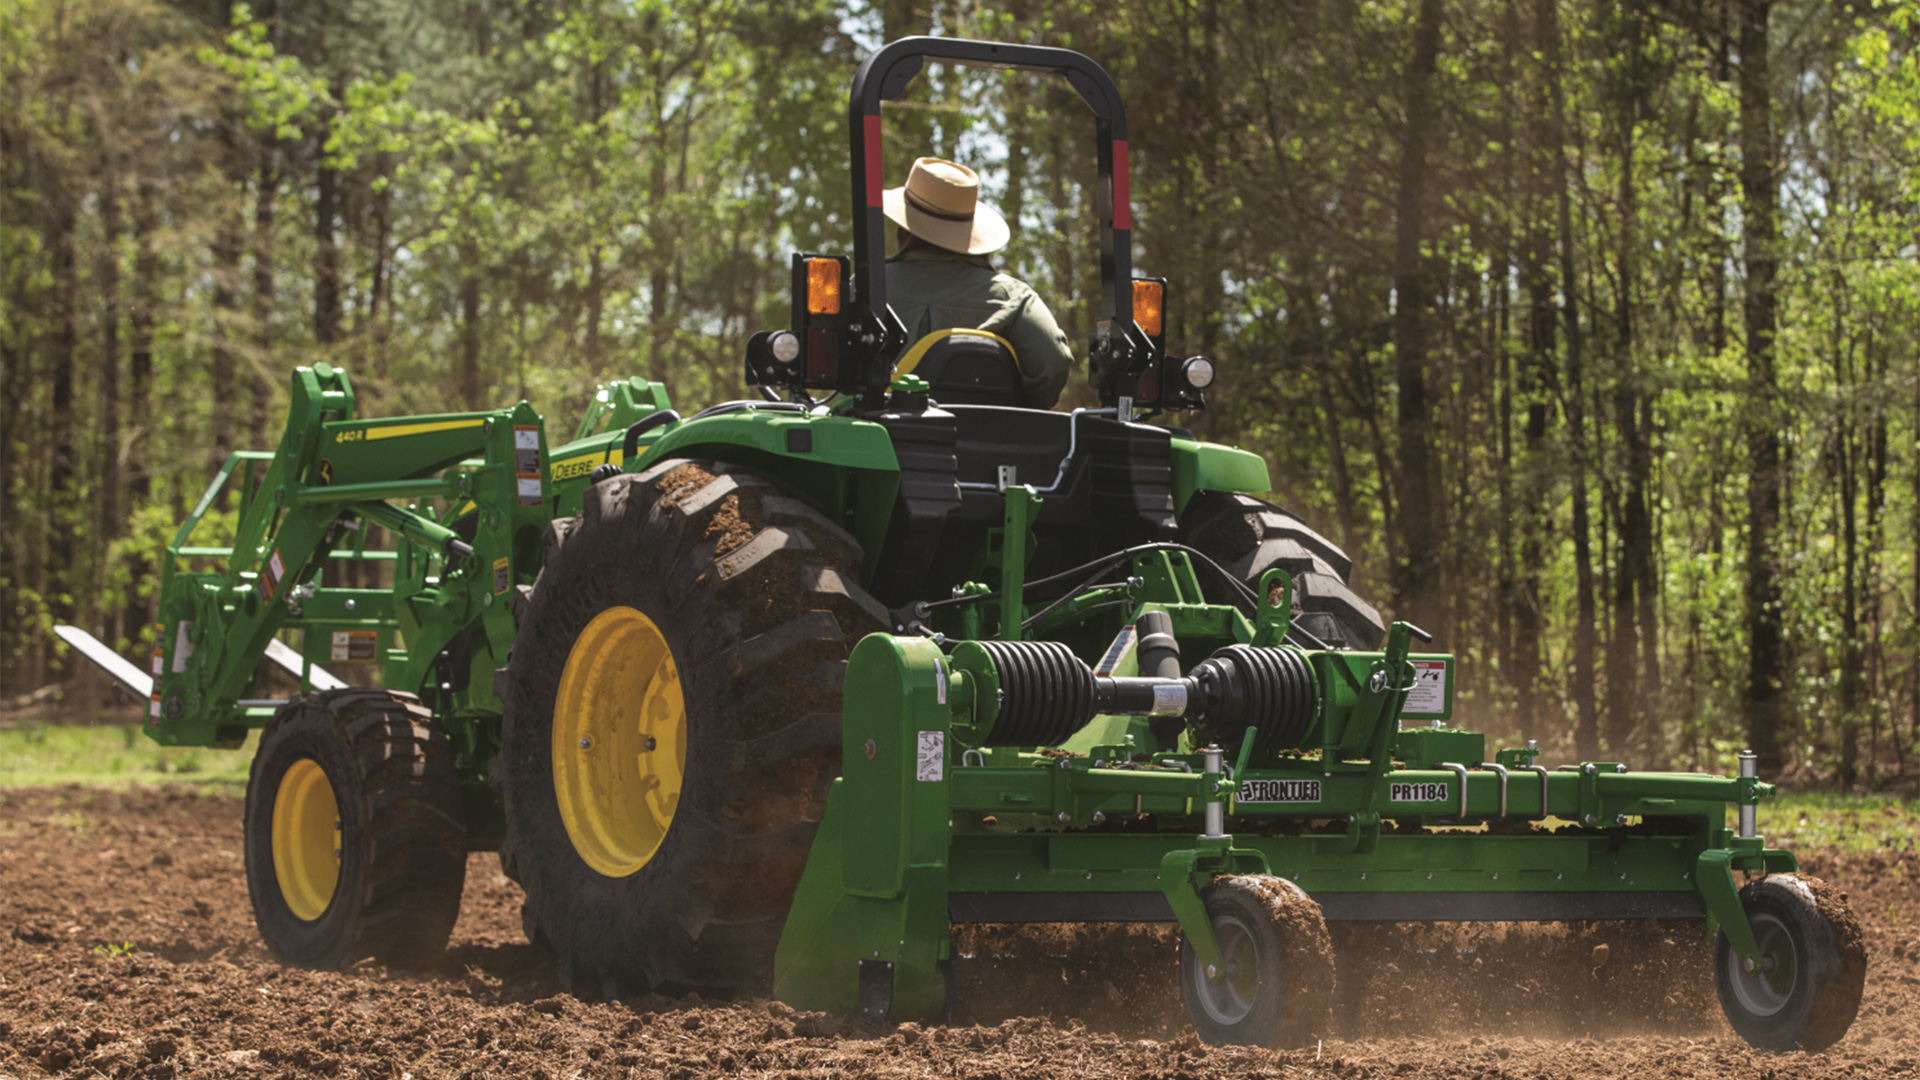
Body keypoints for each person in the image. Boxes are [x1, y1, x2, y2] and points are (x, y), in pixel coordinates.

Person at [883, 157, 1075, 409]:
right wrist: (1020, 414)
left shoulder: (867, 286)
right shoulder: (1013, 298)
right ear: (969, 230)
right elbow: (1053, 363)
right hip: (987, 441)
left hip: (879, 439)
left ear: (904, 228)